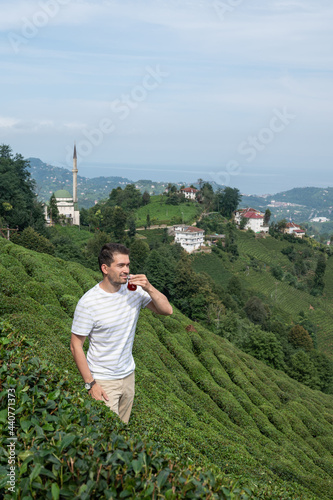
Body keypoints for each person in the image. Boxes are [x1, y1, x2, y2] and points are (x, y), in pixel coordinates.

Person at [70, 243, 172, 424]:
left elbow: (166, 310)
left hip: (128, 377)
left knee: (121, 435)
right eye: (120, 266)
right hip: (103, 380)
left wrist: (148, 287)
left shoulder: (134, 291)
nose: (126, 270)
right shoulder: (89, 303)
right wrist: (91, 384)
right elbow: (75, 345)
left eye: (128, 265)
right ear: (105, 268)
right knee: (105, 437)